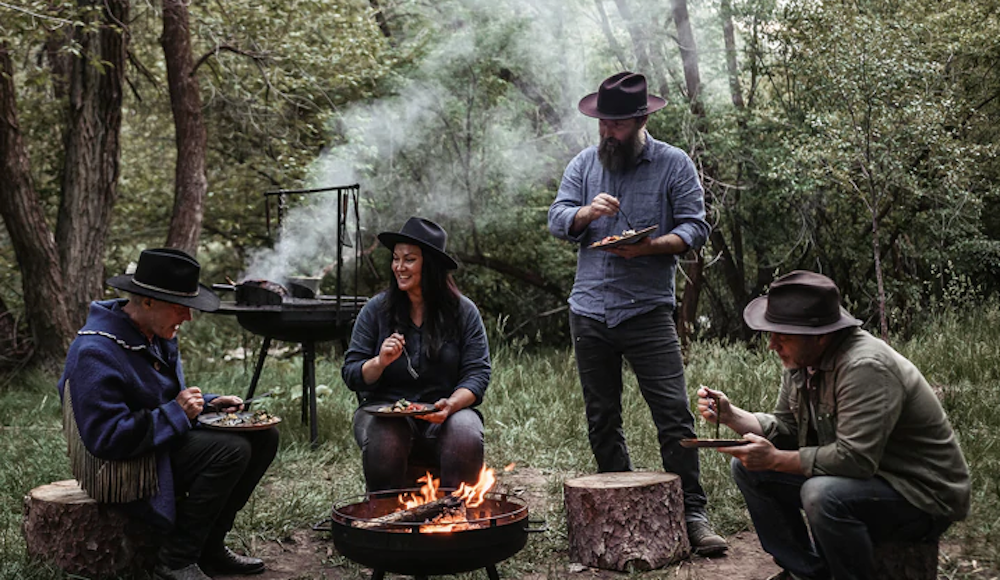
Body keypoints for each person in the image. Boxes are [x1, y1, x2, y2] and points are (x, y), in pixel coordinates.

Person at [547, 71, 725, 555]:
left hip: (647, 311)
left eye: (618, 124)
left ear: (641, 119)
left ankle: (692, 512)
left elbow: (695, 227)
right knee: (602, 417)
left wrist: (649, 248)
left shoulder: (673, 164)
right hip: (588, 311)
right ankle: (618, 507)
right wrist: (584, 215)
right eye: (602, 122)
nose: (607, 132)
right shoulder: (585, 164)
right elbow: (557, 217)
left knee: (673, 414)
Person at [697, 271, 970, 580]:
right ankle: (808, 573)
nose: (772, 345)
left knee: (822, 495)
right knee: (748, 469)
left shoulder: (864, 367)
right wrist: (731, 415)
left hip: (920, 496)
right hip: (868, 480)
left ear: (821, 335)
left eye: (782, 335)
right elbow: (786, 426)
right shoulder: (803, 359)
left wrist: (774, 459)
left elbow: (855, 460)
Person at [57, 248, 279, 580]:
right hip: (121, 462)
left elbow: (160, 396)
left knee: (264, 435)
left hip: (155, 440)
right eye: (180, 309)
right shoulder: (95, 351)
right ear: (147, 302)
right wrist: (177, 413)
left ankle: (210, 547)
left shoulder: (152, 332)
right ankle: (176, 559)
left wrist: (209, 402)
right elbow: (106, 439)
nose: (188, 319)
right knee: (231, 451)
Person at [341, 217, 491, 491]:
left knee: (465, 434)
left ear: (430, 266)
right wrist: (379, 362)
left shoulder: (463, 312)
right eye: (396, 259)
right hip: (383, 410)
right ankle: (384, 520)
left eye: (409, 259)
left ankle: (456, 519)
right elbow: (351, 373)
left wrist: (451, 404)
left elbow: (478, 374)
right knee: (386, 435)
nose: (399, 267)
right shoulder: (376, 310)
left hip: (446, 409)